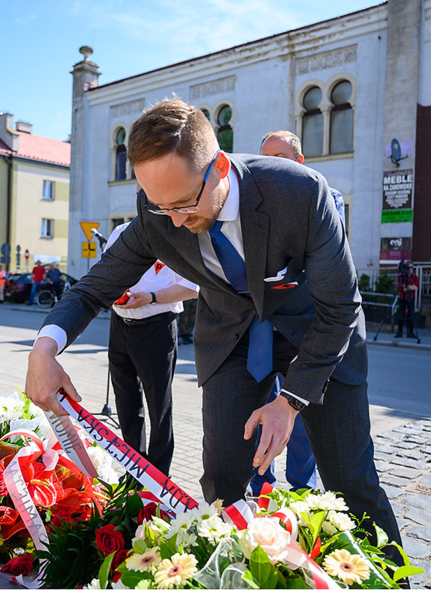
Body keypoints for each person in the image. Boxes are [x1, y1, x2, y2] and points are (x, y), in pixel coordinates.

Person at [25, 98, 402, 556]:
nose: (177, 221)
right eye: (162, 207)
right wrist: (45, 348)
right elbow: (92, 289)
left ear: (220, 167)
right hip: (234, 340)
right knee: (222, 481)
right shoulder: (157, 211)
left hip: (319, 335)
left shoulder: (301, 193)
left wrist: (291, 401)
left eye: (184, 203)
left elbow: (340, 308)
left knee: (351, 482)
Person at [249, 129, 345, 494]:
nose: (273, 167)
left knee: (298, 413)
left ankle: (302, 490)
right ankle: (261, 489)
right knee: (259, 411)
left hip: (303, 328)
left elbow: (319, 262)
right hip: (259, 331)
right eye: (266, 159)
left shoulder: (325, 198)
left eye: (282, 158)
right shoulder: (249, 205)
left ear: (300, 163)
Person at [106, 221, 199, 475]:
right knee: (126, 403)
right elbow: (107, 271)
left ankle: (159, 476)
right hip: (120, 325)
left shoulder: (178, 233)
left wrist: (151, 297)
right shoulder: (121, 231)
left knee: (158, 405)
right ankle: (134, 470)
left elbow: (192, 288)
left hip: (156, 327)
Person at [394, 260, 419, 339]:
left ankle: (410, 332)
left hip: (411, 298)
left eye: (411, 267)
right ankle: (400, 331)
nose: (410, 269)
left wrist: (408, 287)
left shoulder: (415, 277)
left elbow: (416, 287)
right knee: (401, 314)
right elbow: (400, 288)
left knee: (411, 315)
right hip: (402, 298)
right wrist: (409, 287)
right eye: (409, 267)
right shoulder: (401, 277)